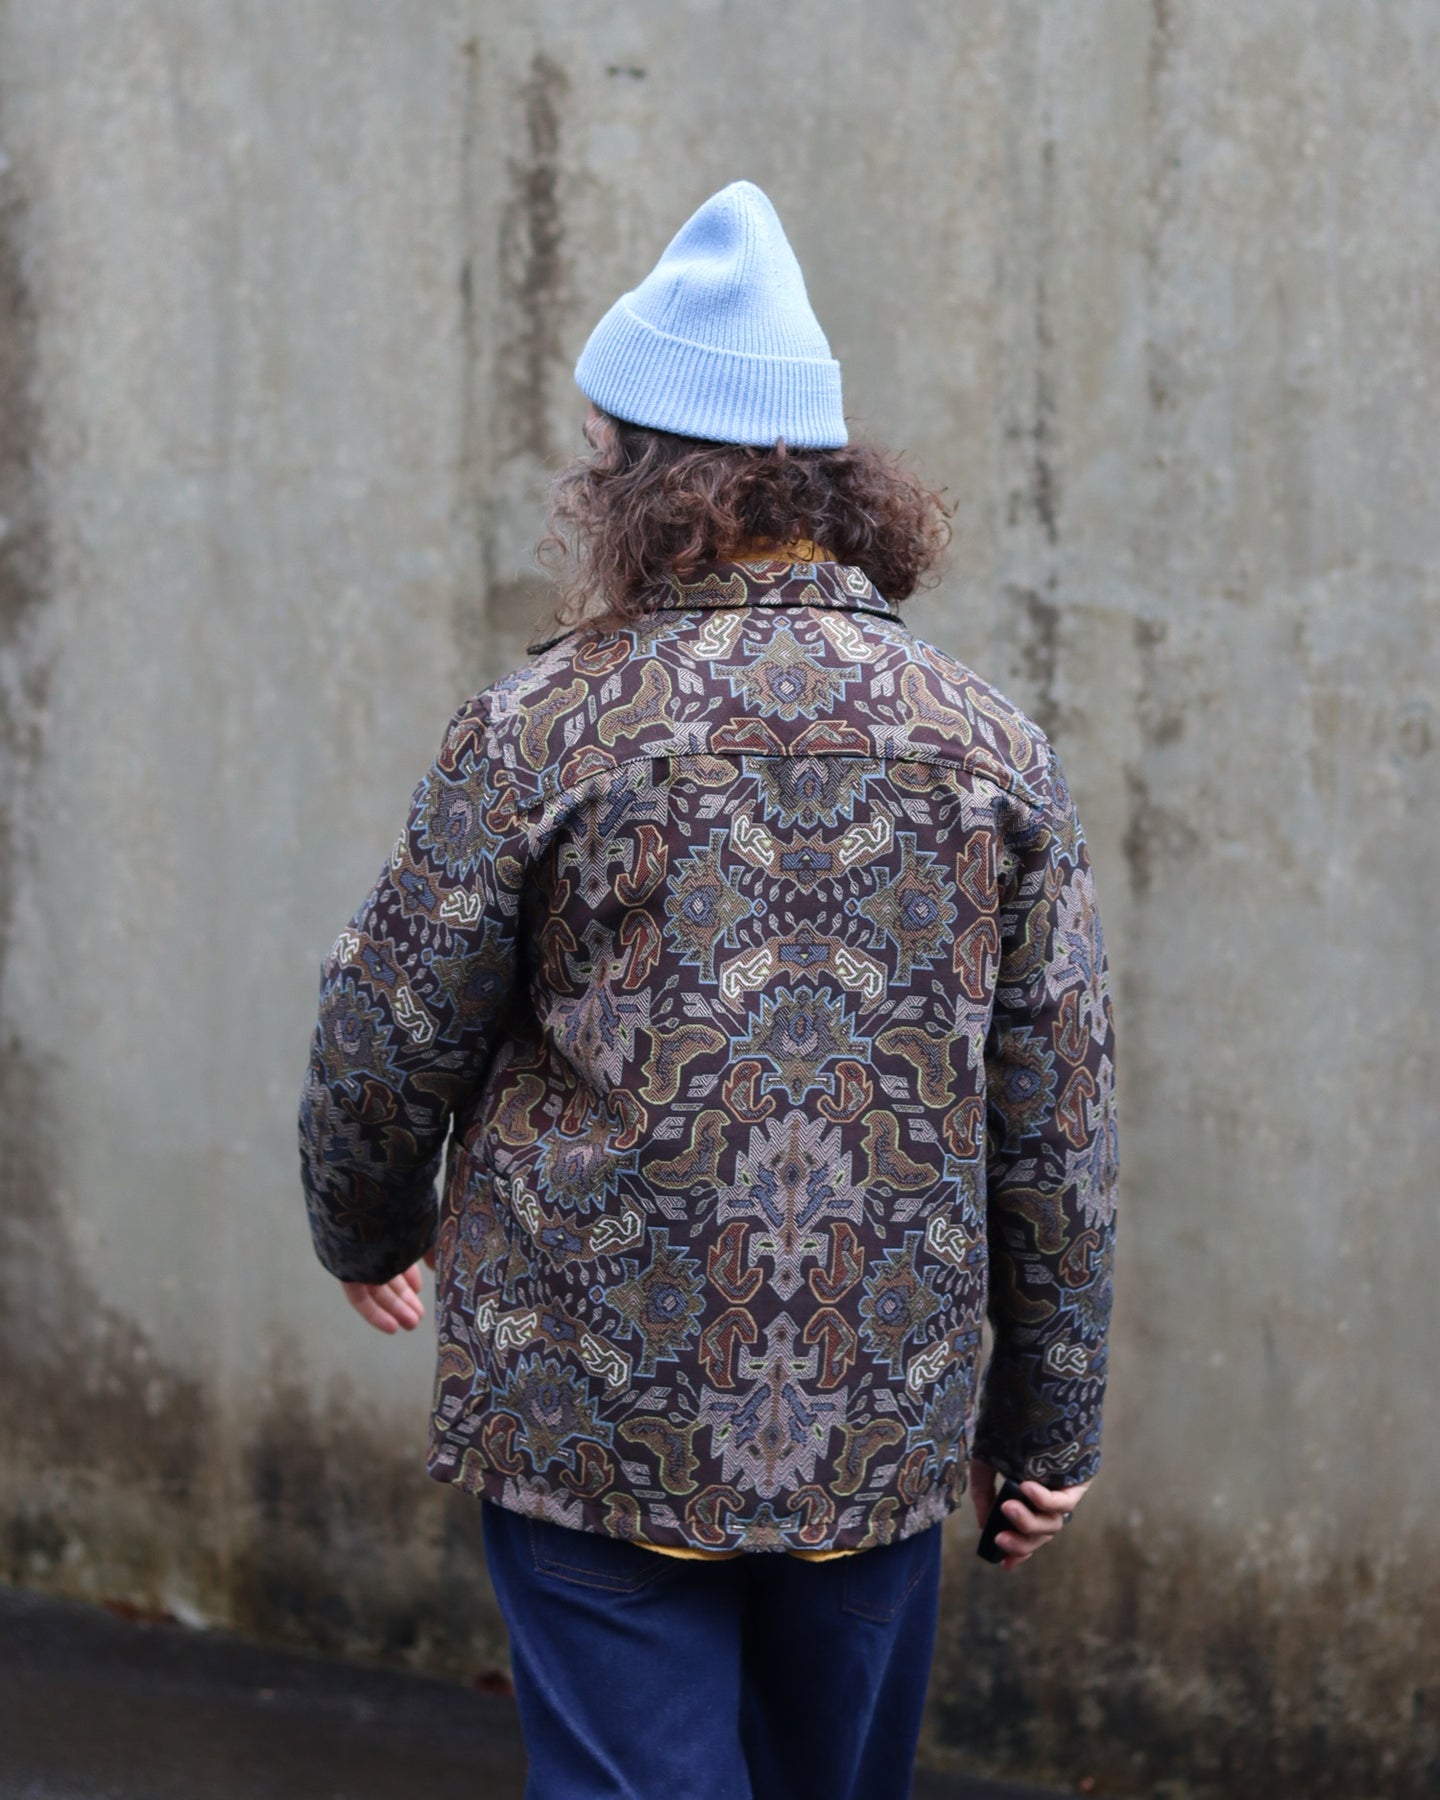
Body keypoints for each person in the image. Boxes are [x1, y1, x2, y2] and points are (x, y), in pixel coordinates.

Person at [299, 179, 1118, 1800]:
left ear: (640, 476)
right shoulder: (991, 746)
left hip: (594, 1412)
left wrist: (366, 1224)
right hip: (872, 1417)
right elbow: (1058, 1118)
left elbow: (388, 1032)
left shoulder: (543, 727)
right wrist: (1051, 1423)